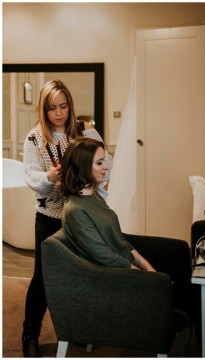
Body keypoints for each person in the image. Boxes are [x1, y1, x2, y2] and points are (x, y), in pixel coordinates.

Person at [21, 79, 110, 357]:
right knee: (43, 278)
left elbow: (105, 163)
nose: (59, 113)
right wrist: (49, 177)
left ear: (70, 105)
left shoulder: (87, 132)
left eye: (63, 106)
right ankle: (29, 333)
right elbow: (30, 175)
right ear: (43, 109)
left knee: (84, 273)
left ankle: (81, 330)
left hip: (83, 215)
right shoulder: (35, 138)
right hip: (49, 217)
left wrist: (96, 183)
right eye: (52, 108)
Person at [60, 137, 156, 270]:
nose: (106, 166)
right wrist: (141, 273)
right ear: (82, 166)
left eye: (104, 160)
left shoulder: (93, 194)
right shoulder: (75, 210)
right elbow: (103, 255)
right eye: (99, 163)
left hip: (125, 262)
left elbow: (117, 239)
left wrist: (145, 265)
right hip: (111, 274)